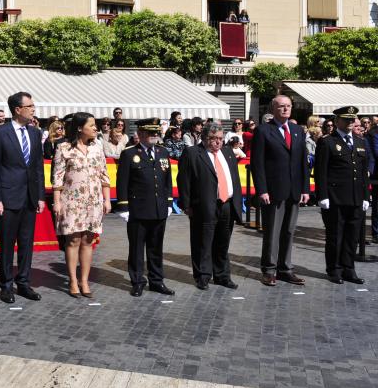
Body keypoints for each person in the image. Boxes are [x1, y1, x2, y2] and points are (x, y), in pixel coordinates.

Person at [0, 91, 46, 304]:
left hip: (29, 197)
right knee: (7, 243)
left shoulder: (34, 133)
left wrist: (40, 195)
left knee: (26, 243)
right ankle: (5, 285)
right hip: (7, 196)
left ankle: (23, 282)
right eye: (30, 106)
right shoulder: (0, 133)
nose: (33, 109)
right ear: (17, 109)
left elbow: (38, 168)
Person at [250, 95, 310, 287]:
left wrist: (305, 188)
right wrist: (262, 190)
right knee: (273, 232)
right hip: (273, 191)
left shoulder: (297, 130)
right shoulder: (263, 130)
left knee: (289, 231)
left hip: (294, 190)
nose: (285, 109)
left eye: (288, 106)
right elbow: (257, 163)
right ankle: (269, 269)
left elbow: (303, 162)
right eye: (281, 106)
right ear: (273, 109)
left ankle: (285, 269)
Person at [52, 113, 111, 298]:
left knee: (88, 241)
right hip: (71, 202)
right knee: (73, 241)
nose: (95, 128)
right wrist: (56, 201)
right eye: (92, 125)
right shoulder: (63, 148)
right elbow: (57, 177)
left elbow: (104, 175)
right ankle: (72, 280)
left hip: (93, 201)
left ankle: (84, 280)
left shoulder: (97, 148)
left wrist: (107, 199)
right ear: (79, 128)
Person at [177, 122, 242, 291]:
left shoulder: (227, 152)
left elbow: (234, 178)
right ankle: (203, 276)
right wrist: (186, 204)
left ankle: (222, 276)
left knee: (223, 243)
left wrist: (236, 201)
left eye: (220, 139)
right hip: (203, 205)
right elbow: (184, 180)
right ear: (205, 138)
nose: (217, 142)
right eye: (213, 139)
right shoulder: (192, 153)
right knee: (202, 242)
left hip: (226, 204)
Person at [115, 117, 175, 297]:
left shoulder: (163, 152)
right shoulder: (129, 154)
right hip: (138, 210)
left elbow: (167, 181)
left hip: (158, 208)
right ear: (140, 134)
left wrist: (169, 202)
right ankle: (138, 281)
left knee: (156, 248)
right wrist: (124, 207)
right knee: (136, 249)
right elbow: (122, 182)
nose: (154, 136)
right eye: (150, 133)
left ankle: (157, 281)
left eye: (156, 132)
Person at [315, 106, 369, 285]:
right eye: (346, 120)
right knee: (335, 235)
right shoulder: (328, 142)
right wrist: (322, 195)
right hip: (335, 196)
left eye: (352, 120)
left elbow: (363, 173)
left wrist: (365, 197)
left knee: (352, 236)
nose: (349, 123)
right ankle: (334, 269)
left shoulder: (360, 142)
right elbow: (321, 171)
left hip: (355, 197)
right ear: (337, 121)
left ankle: (349, 268)